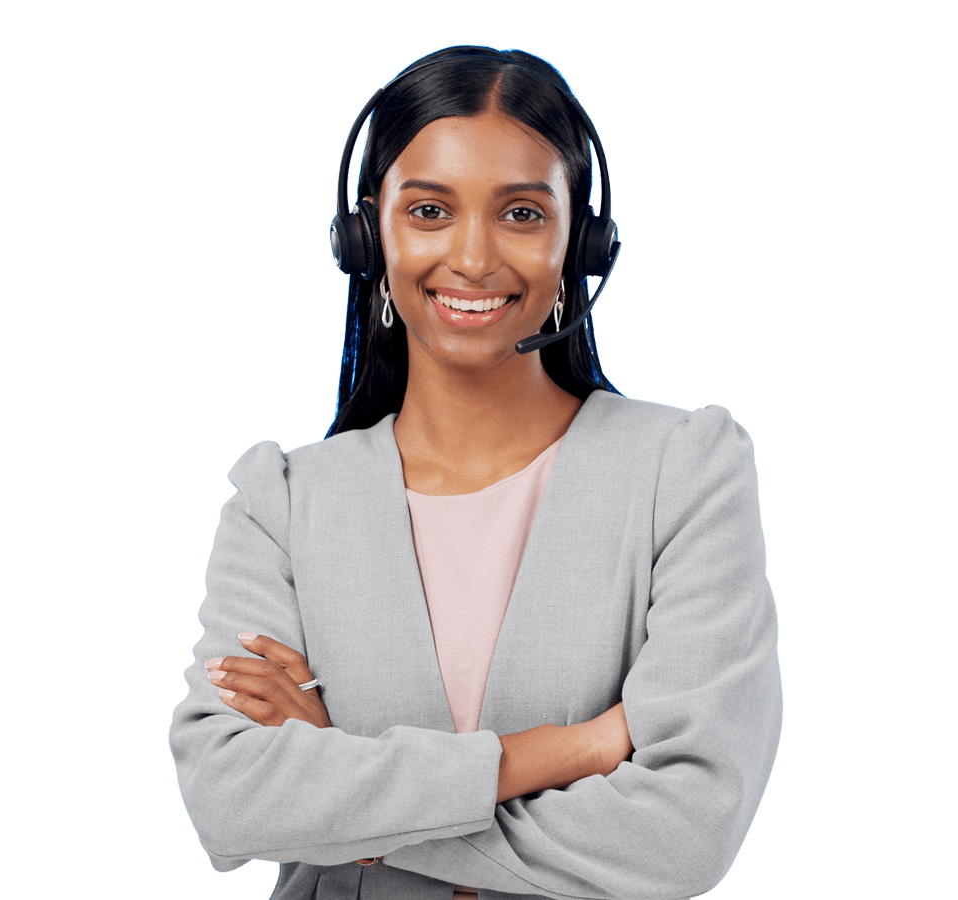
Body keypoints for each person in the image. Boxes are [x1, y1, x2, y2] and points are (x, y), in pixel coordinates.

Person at [169, 45, 781, 900]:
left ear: (583, 242)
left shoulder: (685, 471)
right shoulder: (281, 501)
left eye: (523, 214)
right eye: (428, 209)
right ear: (365, 235)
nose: (472, 257)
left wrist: (350, 809)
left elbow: (685, 833)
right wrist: (565, 751)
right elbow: (228, 802)